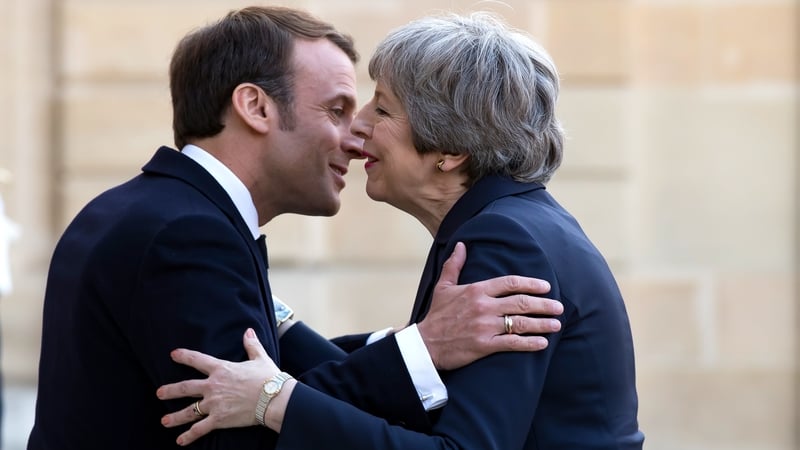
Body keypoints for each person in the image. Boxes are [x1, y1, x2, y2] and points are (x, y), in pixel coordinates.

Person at [26, 7, 564, 450]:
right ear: (255, 106)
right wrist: (422, 347)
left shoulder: (152, 210)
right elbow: (242, 428)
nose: (357, 138)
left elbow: (262, 390)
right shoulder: (184, 234)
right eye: (336, 110)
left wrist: (416, 346)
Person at [157, 11, 645, 449]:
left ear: (450, 151)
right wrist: (276, 320)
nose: (357, 129)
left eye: (383, 110)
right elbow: (410, 382)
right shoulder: (517, 223)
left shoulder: (504, 241)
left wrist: (274, 401)